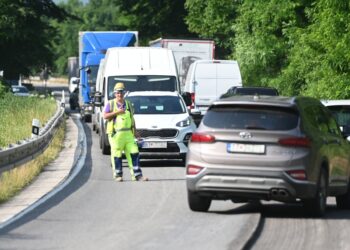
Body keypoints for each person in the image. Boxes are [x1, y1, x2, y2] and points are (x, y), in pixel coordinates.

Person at [103, 82, 148, 182]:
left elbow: (132, 119)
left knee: (134, 152)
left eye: (121, 92)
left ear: (124, 93)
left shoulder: (128, 104)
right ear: (115, 93)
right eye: (118, 93)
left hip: (128, 134)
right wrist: (117, 112)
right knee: (117, 154)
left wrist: (135, 132)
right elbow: (105, 116)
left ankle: (137, 176)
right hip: (116, 135)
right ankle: (118, 175)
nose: (120, 94)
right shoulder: (111, 104)